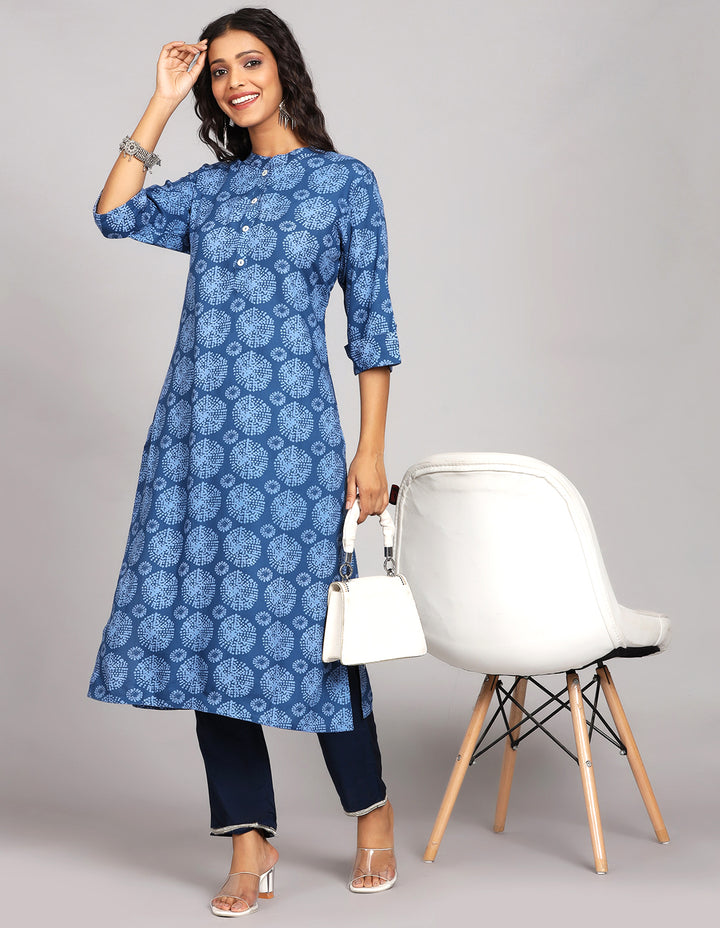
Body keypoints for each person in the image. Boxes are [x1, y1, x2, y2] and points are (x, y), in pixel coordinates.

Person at [86, 5, 402, 918]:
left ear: (283, 68)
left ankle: (371, 814)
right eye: (219, 70)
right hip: (195, 443)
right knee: (206, 640)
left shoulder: (344, 183)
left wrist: (370, 450)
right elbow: (113, 214)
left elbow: (373, 329)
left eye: (247, 62)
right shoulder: (212, 191)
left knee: (317, 641)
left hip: (297, 445)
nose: (233, 81)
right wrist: (160, 98)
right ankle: (249, 841)